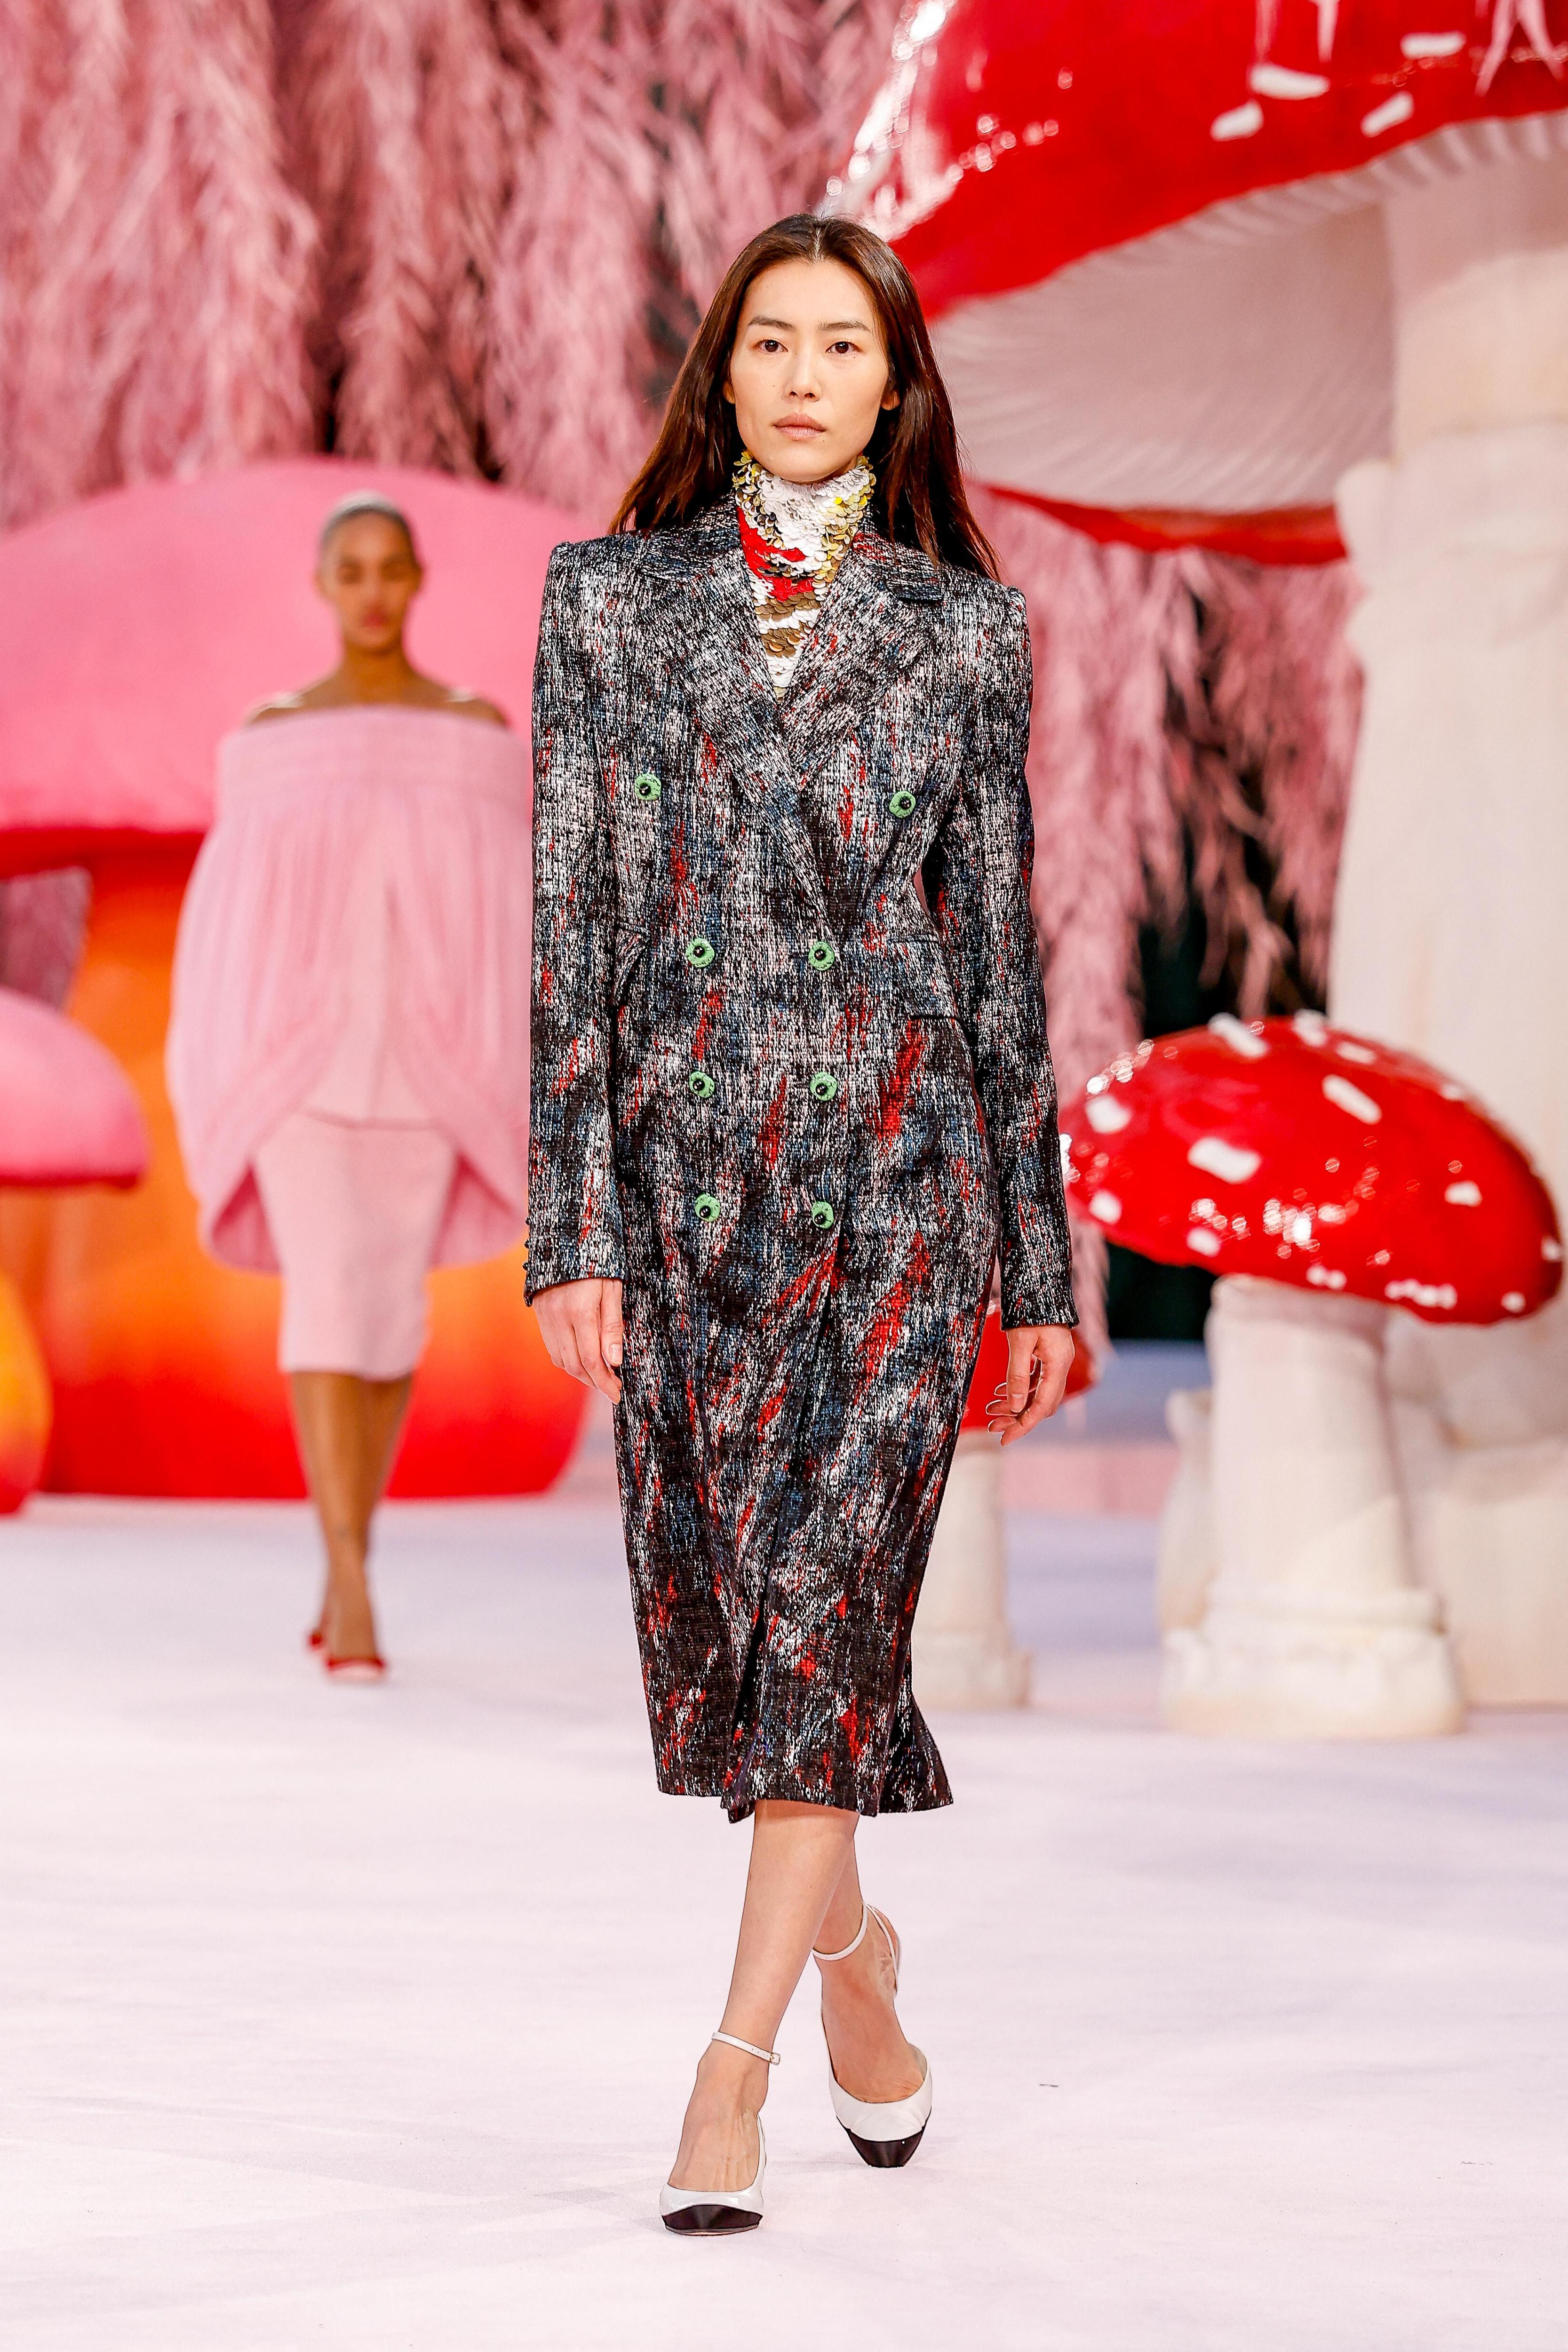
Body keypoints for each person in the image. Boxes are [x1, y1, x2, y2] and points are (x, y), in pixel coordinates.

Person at [527, 215, 1077, 2233]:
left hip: (905, 1187)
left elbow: (997, 961)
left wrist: (1038, 1260)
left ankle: (728, 2068)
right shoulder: (605, 601)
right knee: (740, 1644)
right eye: (770, 340)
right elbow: (571, 922)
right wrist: (572, 1221)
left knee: (833, 1612)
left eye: (843, 345)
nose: (802, 376)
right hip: (686, 1197)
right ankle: (852, 1958)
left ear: (894, 383)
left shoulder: (965, 632)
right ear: (723, 368)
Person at [167, 493, 530, 1677]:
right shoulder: (272, 739)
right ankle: (353, 1579)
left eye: (390, 568)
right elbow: (230, 918)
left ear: (416, 580)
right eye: (351, 569)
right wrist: (236, 1046)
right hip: (305, 1070)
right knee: (327, 1304)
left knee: (389, 1316)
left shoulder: (475, 735)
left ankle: (345, 1559)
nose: (372, 590)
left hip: (426, 1064)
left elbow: (505, 918)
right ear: (323, 586)